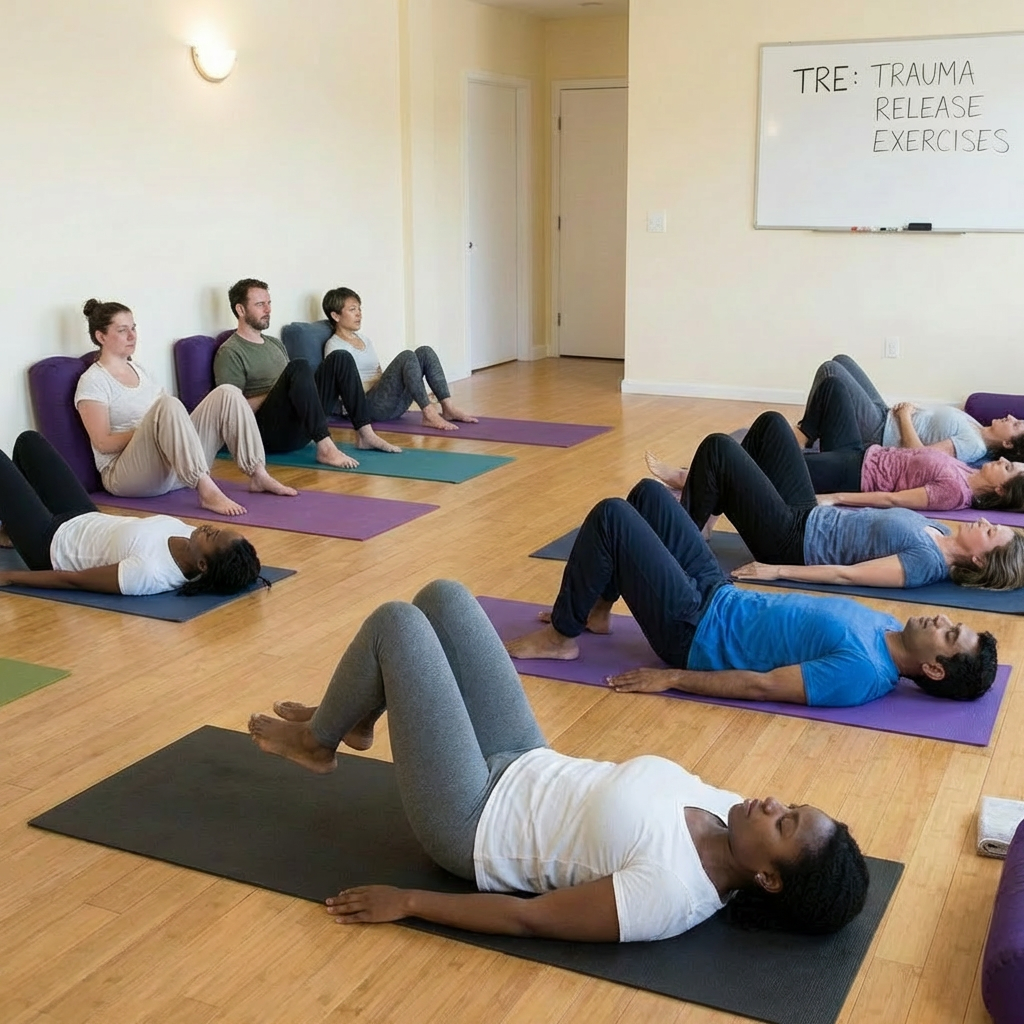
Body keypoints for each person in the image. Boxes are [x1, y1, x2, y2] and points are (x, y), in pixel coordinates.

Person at [248, 579, 869, 940]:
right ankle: (355, 714)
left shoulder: (671, 895)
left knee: (399, 626)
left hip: (471, 821)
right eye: (792, 806)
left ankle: (321, 742)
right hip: (524, 756)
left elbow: (531, 918)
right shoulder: (730, 814)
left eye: (784, 823)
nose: (772, 803)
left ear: (769, 878)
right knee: (444, 598)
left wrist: (408, 903)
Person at [504, 479, 998, 707]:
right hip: (718, 596)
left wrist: (674, 677)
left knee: (612, 514)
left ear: (934, 667)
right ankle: (596, 610)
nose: (942, 621)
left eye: (951, 635)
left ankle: (561, 639)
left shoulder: (861, 673)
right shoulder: (889, 629)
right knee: (649, 496)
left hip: (693, 632)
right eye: (954, 623)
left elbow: (762, 686)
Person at [645, 411, 1024, 590]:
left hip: (790, 542)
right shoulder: (939, 530)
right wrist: (832, 500)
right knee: (772, 425)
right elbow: (886, 506)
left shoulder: (925, 563)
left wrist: (775, 570)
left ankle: (683, 550)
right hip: (808, 514)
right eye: (993, 525)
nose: (986, 524)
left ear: (979, 559)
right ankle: (704, 515)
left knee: (719, 448)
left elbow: (848, 574)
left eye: (991, 534)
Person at [75, 298, 296, 517]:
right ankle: (206, 490)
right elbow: (102, 443)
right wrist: (150, 432)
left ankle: (257, 473)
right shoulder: (93, 381)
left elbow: (167, 421)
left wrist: (170, 433)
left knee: (228, 392)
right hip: (126, 476)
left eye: (133, 328)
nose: (132, 336)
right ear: (101, 336)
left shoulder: (139, 369)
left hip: (171, 468)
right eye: (123, 330)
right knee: (168, 404)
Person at [0, 431, 261, 596]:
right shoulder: (190, 538)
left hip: (51, 547)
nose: (207, 528)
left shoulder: (149, 573)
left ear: (202, 565)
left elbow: (74, 581)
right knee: (29, 442)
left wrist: (10, 577)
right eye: (217, 529)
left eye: (213, 536)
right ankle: (11, 533)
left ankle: (21, 534)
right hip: (84, 517)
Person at [213, 279, 399, 470]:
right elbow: (231, 411)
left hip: (301, 427)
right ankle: (325, 447)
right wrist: (280, 391)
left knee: (340, 358)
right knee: (299, 366)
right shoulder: (230, 351)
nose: (268, 310)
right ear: (241, 310)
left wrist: (291, 390)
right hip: (267, 435)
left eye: (269, 303)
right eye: (260, 305)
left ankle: (365, 434)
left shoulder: (274, 343)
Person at [796, 354, 1024, 463]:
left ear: (1007, 443)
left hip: (879, 434)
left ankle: (805, 435)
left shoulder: (973, 445)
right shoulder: (976, 426)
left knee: (830, 370)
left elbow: (920, 457)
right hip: (886, 415)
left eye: (1015, 425)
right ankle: (812, 430)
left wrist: (905, 416)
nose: (1011, 416)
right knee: (842, 360)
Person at [322, 287, 477, 431]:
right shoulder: (334, 346)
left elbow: (378, 374)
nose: (359, 314)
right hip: (366, 408)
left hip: (386, 403)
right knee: (407, 356)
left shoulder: (364, 340)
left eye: (359, 309)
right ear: (335, 315)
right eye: (352, 309)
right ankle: (429, 413)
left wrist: (394, 386)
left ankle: (448, 408)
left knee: (424, 352)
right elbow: (343, 391)